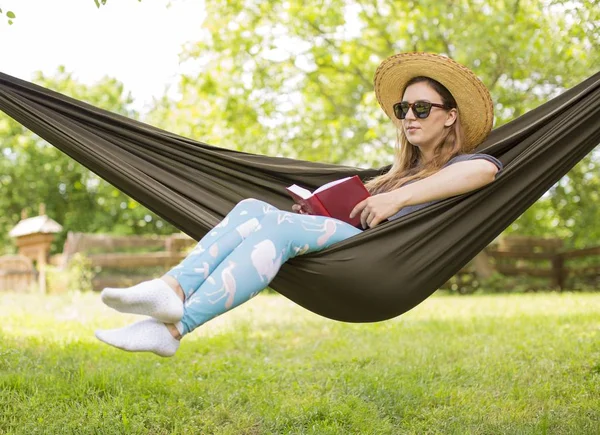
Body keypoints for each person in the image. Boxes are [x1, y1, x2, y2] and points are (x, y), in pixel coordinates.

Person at [95, 52, 503, 357]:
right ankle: (172, 288)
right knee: (254, 208)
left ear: (450, 117)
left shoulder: (460, 165)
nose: (408, 116)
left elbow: (486, 171)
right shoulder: (395, 174)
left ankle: (175, 327)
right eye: (402, 109)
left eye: (421, 108)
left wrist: (398, 197)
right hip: (352, 249)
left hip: (381, 264)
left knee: (278, 227)